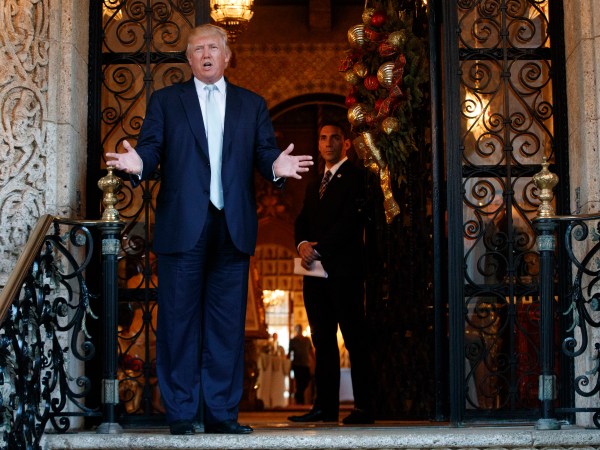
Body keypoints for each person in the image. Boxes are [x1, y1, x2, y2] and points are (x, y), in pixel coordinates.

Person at [106, 24, 313, 435]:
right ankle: (182, 414)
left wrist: (277, 166)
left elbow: (265, 153)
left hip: (232, 227)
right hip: (183, 225)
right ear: (188, 59)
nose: (205, 54)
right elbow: (151, 148)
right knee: (179, 323)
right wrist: (139, 164)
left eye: (213, 48)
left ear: (226, 56)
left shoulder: (251, 104)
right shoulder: (167, 101)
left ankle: (221, 414)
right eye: (198, 49)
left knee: (226, 326)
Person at [288, 121, 374, 425]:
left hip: (344, 273)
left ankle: (364, 407)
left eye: (334, 138)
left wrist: (320, 249)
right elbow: (302, 221)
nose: (328, 143)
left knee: (354, 338)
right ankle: (325, 407)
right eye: (323, 138)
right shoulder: (314, 184)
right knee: (322, 341)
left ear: (346, 143)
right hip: (314, 275)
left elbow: (350, 222)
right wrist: (302, 245)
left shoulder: (359, 177)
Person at [288, 324, 313, 405]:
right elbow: (289, 353)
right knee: (299, 382)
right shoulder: (293, 341)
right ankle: (300, 400)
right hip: (297, 365)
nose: (299, 330)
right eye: (297, 329)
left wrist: (315, 361)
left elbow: (311, 351)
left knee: (306, 380)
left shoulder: (307, 340)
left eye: (300, 329)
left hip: (305, 364)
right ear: (296, 330)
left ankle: (298, 395)